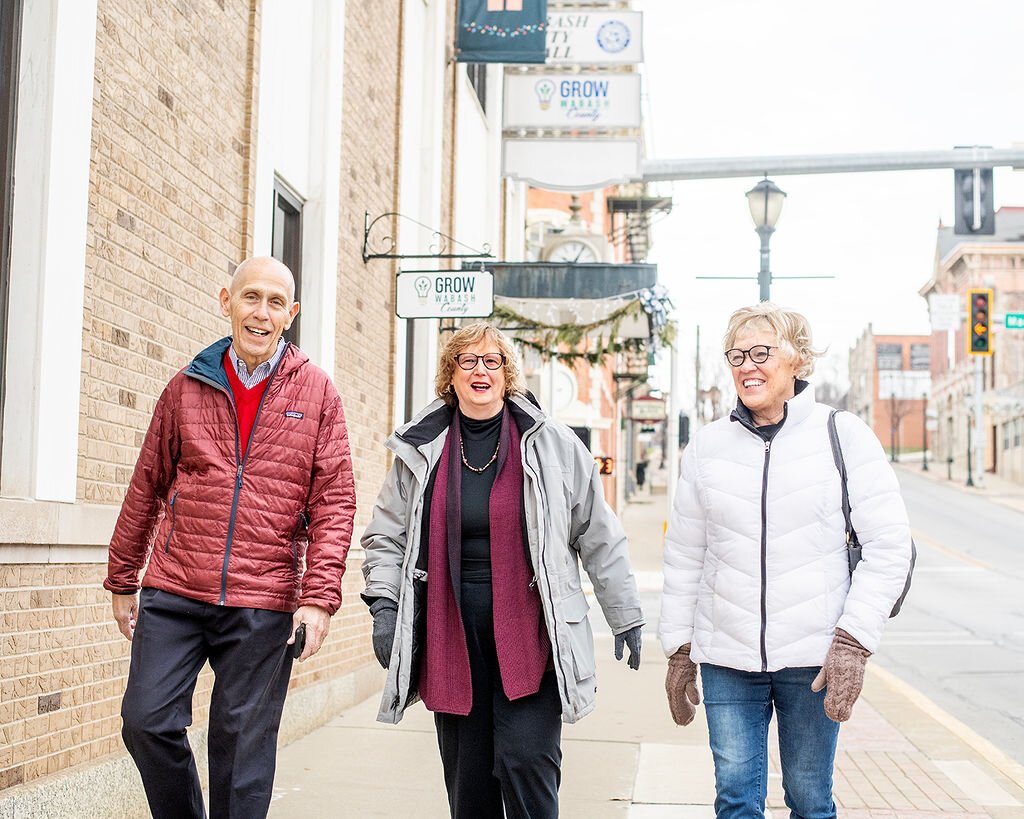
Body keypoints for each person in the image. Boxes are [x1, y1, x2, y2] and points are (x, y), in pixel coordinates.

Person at [104, 256, 357, 819]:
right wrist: (124, 578)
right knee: (146, 721)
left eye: (274, 303)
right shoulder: (187, 385)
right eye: (250, 298)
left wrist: (318, 598)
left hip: (264, 601)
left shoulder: (318, 393)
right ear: (226, 301)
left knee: (242, 755)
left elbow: (335, 503)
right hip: (176, 590)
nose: (260, 313)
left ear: (289, 314)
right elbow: (146, 483)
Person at [361, 323, 644, 819]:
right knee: (469, 786)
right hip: (451, 636)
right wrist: (385, 605)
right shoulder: (420, 447)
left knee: (527, 762)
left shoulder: (552, 444)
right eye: (467, 361)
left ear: (508, 374)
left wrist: (626, 614)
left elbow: (598, 533)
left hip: (531, 633)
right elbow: (387, 535)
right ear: (449, 374)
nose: (480, 371)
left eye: (492, 361)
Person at [659, 303, 912, 819]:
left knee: (809, 798)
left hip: (814, 658)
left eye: (761, 353)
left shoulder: (843, 435)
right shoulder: (706, 448)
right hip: (727, 656)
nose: (746, 366)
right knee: (734, 798)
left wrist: (853, 642)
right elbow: (685, 555)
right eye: (736, 355)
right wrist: (679, 649)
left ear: (798, 360)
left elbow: (890, 546)